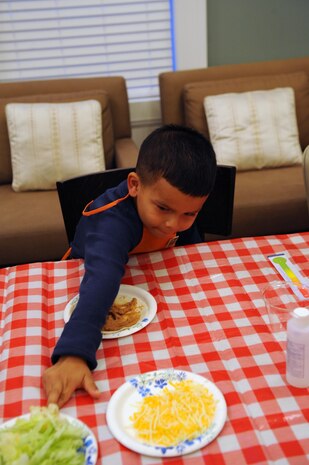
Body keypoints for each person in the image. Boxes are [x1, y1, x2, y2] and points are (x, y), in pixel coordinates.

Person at [43, 124, 217, 407]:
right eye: (163, 209)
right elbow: (102, 279)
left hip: (155, 288)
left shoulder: (175, 209)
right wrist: (74, 353)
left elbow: (188, 248)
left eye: (189, 213)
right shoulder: (110, 222)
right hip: (88, 289)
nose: (174, 224)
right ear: (135, 185)